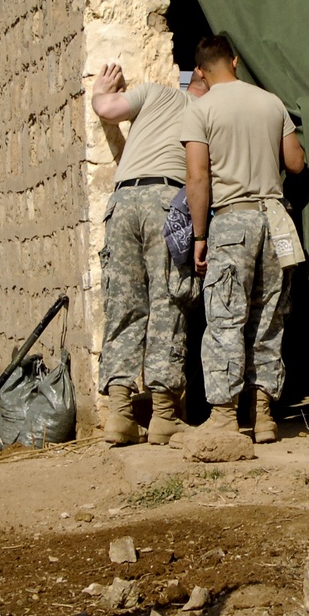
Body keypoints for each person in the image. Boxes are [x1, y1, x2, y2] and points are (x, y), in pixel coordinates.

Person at [182, 33, 306, 443]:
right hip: (275, 222)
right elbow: (295, 162)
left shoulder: (200, 109)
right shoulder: (271, 102)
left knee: (224, 320)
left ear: (200, 69)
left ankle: (223, 416)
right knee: (268, 319)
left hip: (232, 223)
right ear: (234, 61)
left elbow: (198, 177)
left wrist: (200, 235)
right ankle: (264, 416)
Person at [91, 60, 209, 445]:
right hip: (166, 201)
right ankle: (162, 416)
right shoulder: (206, 114)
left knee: (123, 303)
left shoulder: (153, 92)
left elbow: (107, 110)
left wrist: (99, 90)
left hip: (122, 201)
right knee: (168, 301)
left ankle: (120, 416)